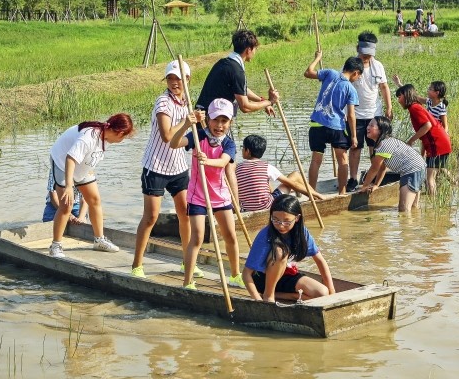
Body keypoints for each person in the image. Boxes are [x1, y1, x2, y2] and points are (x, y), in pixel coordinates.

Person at [131, 60, 200, 279]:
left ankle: (186, 262)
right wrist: (188, 123)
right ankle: (137, 265)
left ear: (187, 80)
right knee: (151, 217)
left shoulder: (188, 102)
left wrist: (199, 121)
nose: (174, 83)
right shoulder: (163, 102)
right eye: (170, 79)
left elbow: (196, 133)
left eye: (178, 79)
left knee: (186, 214)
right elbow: (167, 135)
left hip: (179, 167)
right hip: (156, 166)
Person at [169, 98, 243, 290]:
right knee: (198, 237)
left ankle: (235, 275)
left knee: (230, 236)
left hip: (220, 196)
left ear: (230, 123)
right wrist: (187, 123)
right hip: (198, 196)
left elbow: (223, 162)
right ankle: (188, 281)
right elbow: (174, 143)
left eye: (224, 121)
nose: (219, 125)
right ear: (208, 119)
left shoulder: (229, 144)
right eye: (216, 120)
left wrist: (206, 160)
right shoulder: (197, 135)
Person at [48, 113, 135, 258]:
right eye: (124, 137)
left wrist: (87, 174)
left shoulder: (106, 137)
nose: (123, 140)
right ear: (119, 133)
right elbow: (70, 159)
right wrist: (69, 186)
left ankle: (99, 240)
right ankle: (55, 246)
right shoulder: (89, 137)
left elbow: (91, 156)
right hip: (63, 162)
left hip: (81, 166)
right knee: (66, 204)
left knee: (94, 200)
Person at [242, 194, 336, 302]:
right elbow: (246, 273)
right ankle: (268, 295)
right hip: (263, 280)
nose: (281, 226)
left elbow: (320, 260)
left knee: (323, 293)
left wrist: (332, 294)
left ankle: (288, 295)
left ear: (297, 218)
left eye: (287, 221)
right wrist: (258, 300)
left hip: (286, 276)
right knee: (281, 252)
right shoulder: (265, 235)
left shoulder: (302, 233)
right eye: (275, 220)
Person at [304, 52, 362, 195]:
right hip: (336, 127)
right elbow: (350, 115)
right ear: (355, 73)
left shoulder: (330, 73)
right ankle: (342, 193)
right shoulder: (351, 89)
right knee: (342, 160)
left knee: (316, 160)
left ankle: (312, 193)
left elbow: (308, 72)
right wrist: (354, 136)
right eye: (359, 76)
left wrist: (317, 58)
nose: (358, 78)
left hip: (317, 124)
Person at [195, 29, 279, 119]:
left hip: (203, 115)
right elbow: (245, 107)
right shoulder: (237, 71)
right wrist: (270, 101)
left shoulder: (223, 62)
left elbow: (241, 89)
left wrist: (262, 101)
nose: (255, 52)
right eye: (255, 49)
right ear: (248, 50)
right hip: (210, 120)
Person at [347, 31, 393, 192]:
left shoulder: (377, 66)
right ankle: (352, 178)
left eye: (369, 55)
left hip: (375, 115)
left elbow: (384, 87)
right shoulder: (351, 65)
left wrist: (389, 107)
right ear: (357, 48)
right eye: (364, 54)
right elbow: (343, 86)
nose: (367, 58)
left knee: (375, 148)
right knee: (355, 147)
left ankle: (373, 178)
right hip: (356, 115)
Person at [235, 134, 325, 212]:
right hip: (268, 206)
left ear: (248, 151)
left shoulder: (236, 168)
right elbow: (292, 184)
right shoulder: (267, 167)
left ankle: (310, 195)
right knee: (295, 175)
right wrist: (316, 194)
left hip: (246, 208)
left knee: (266, 181)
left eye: (243, 147)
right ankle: (314, 196)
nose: (242, 150)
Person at [358, 116, 426, 212]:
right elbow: (382, 168)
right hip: (418, 168)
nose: (367, 127)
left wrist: (364, 186)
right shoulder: (384, 144)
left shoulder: (384, 145)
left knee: (404, 210)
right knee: (414, 208)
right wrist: (376, 184)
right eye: (368, 125)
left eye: (371, 125)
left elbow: (374, 169)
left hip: (412, 170)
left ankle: (407, 227)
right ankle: (415, 226)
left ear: (380, 130)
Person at [396, 84, 452, 196]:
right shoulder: (416, 106)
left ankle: (433, 209)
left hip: (436, 144)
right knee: (439, 169)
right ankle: (456, 184)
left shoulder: (414, 108)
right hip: (440, 142)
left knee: (430, 178)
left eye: (399, 97)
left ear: (406, 96)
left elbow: (427, 125)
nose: (398, 100)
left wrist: (411, 140)